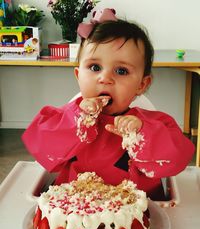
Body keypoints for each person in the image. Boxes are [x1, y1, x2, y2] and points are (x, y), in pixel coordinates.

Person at [22, 9, 195, 198]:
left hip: (136, 212)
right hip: (74, 209)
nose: (105, 78)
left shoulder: (154, 124)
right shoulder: (67, 118)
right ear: (78, 76)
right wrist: (77, 120)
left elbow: (177, 159)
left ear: (141, 85)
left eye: (121, 71)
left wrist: (142, 133)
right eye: (94, 67)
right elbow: (43, 151)